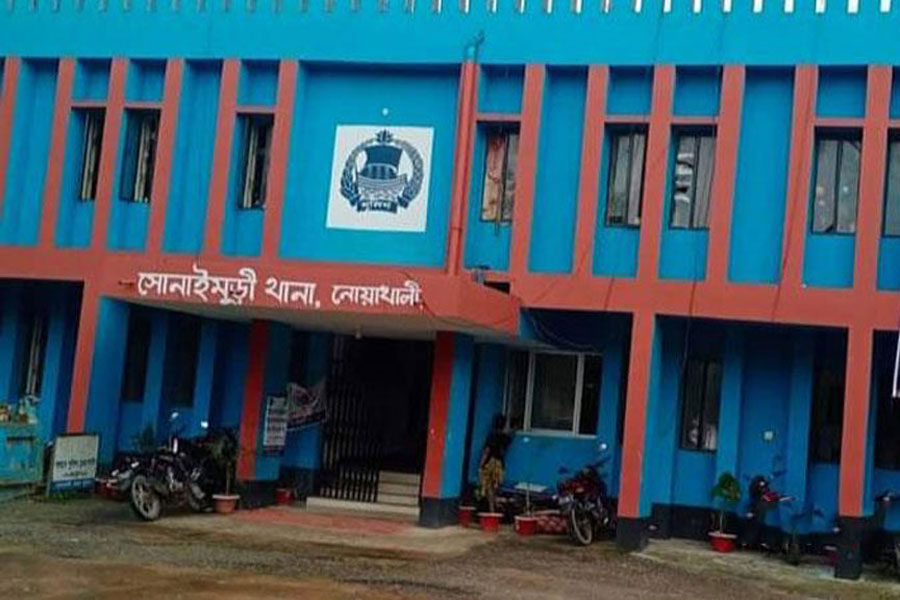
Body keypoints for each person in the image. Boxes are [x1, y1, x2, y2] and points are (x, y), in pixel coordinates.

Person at [478, 415, 512, 513]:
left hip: (490, 463)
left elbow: (487, 451)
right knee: (496, 486)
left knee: (489, 487)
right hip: (500, 464)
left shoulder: (492, 436)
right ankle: (495, 506)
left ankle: (492, 509)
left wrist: (481, 464)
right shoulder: (506, 438)